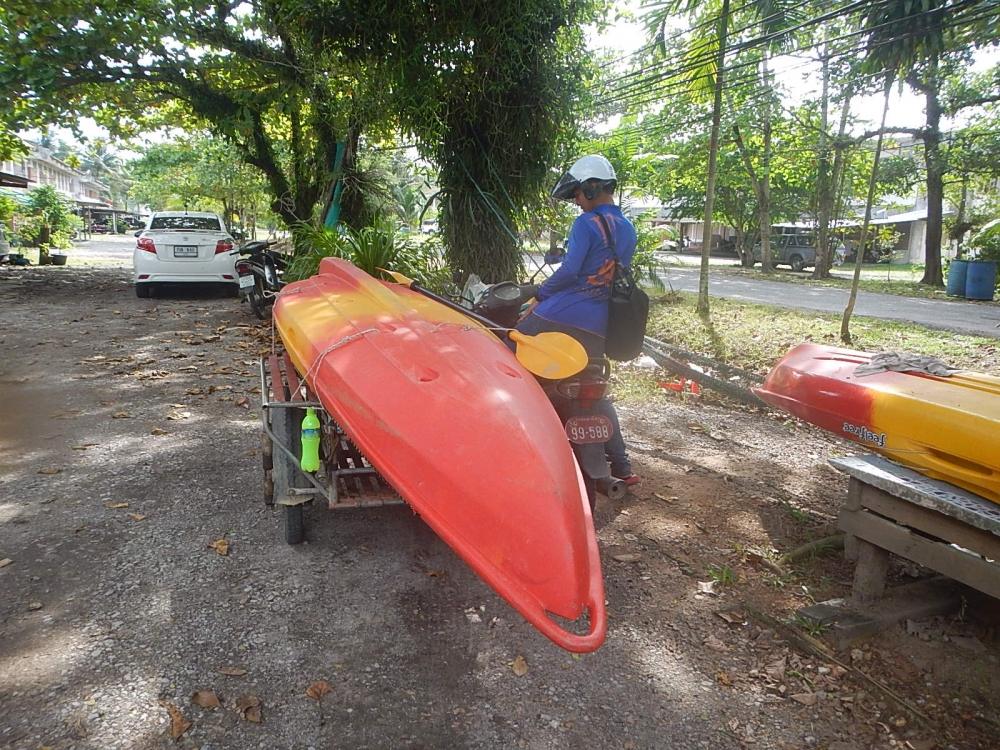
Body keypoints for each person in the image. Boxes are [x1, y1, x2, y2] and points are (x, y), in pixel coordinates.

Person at [517, 154, 640, 486]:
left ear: (591, 188)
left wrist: (538, 294)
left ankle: (515, 445)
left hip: (563, 313)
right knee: (595, 391)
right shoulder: (629, 228)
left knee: (508, 346)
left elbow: (572, 272)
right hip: (599, 324)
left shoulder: (585, 223)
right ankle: (623, 467)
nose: (576, 201)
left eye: (577, 194)